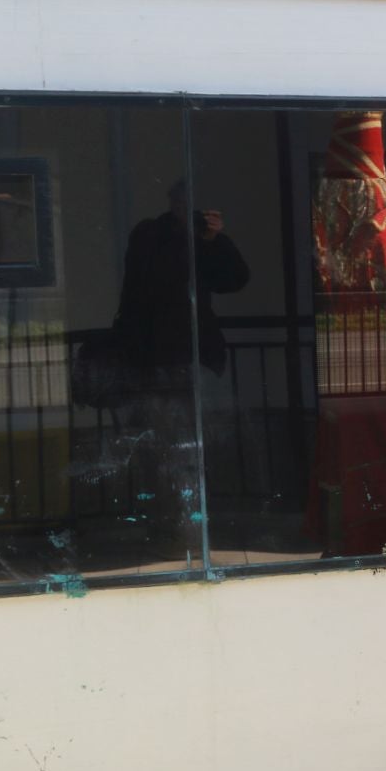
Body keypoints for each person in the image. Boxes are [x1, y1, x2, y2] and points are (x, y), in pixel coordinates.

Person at [112, 179, 249, 546]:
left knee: (185, 445)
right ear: (171, 201)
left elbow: (234, 280)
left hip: (185, 356)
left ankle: (184, 527)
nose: (187, 208)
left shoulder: (194, 239)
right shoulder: (152, 235)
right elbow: (147, 284)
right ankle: (173, 526)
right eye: (182, 200)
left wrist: (213, 241)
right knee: (168, 446)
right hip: (160, 356)